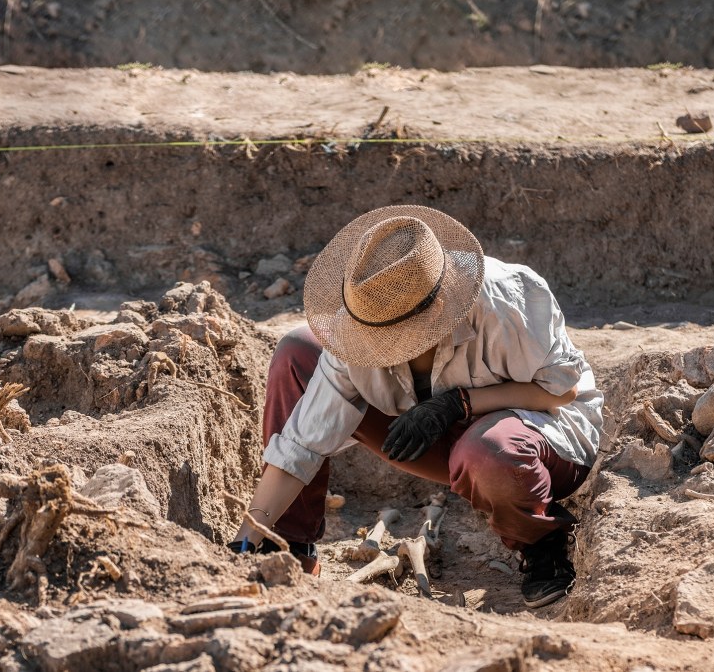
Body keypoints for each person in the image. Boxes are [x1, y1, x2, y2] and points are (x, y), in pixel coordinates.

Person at [228, 205, 603, 608]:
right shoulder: (363, 320)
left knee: (488, 450)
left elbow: (561, 391)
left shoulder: (507, 300)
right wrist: (251, 533)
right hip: (435, 440)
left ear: (438, 310)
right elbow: (302, 441)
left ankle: (541, 540)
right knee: (298, 351)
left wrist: (458, 404)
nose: (379, 350)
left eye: (396, 337)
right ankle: (287, 547)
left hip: (542, 438)